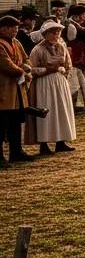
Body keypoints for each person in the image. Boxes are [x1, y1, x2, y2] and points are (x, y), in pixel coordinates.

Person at [25, 21, 76, 154]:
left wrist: (63, 71)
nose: (56, 35)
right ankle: (44, 143)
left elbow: (68, 64)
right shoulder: (38, 49)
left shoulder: (61, 47)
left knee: (60, 110)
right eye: (53, 33)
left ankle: (61, 141)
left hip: (59, 82)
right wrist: (47, 70)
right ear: (45, 34)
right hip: (44, 84)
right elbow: (32, 69)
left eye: (57, 33)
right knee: (47, 111)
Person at [0, 14, 33, 166]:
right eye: (13, 28)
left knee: (16, 122)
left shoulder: (16, 42)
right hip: (4, 90)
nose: (15, 31)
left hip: (17, 90)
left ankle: (16, 151)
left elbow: (25, 58)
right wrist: (22, 72)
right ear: (4, 28)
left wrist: (27, 66)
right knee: (2, 124)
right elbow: (5, 65)